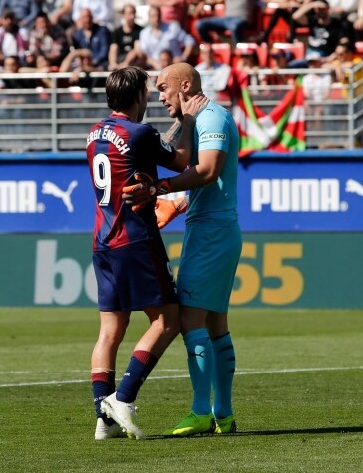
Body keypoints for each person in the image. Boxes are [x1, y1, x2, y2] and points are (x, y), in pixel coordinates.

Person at [122, 62, 241, 437]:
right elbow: (205, 181)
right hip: (212, 228)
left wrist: (159, 189)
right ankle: (222, 413)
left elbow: (206, 171)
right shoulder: (205, 119)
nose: (158, 97)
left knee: (190, 321)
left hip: (212, 234)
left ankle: (200, 411)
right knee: (214, 323)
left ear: (184, 86)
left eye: (162, 88)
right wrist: (178, 203)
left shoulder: (212, 120)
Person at [88, 65, 204, 441]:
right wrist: (188, 117)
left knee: (110, 330)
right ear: (137, 96)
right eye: (147, 92)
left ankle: (103, 421)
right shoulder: (139, 133)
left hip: (101, 239)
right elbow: (183, 159)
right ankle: (122, 398)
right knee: (167, 320)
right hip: (134, 238)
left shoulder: (94, 133)